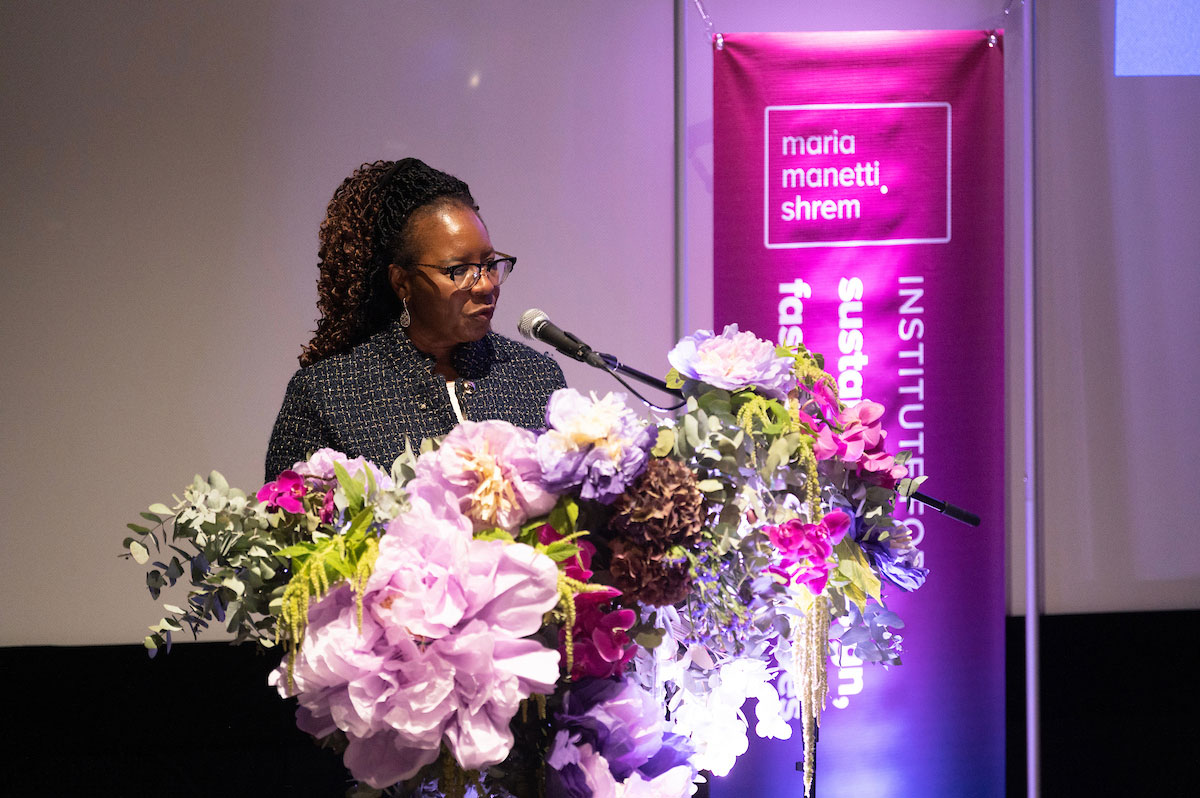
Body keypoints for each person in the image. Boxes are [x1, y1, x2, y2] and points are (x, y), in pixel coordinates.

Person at [265, 158, 566, 480]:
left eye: (490, 263)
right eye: (459, 270)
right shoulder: (328, 394)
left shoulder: (533, 378)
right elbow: (286, 520)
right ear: (401, 282)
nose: (486, 285)